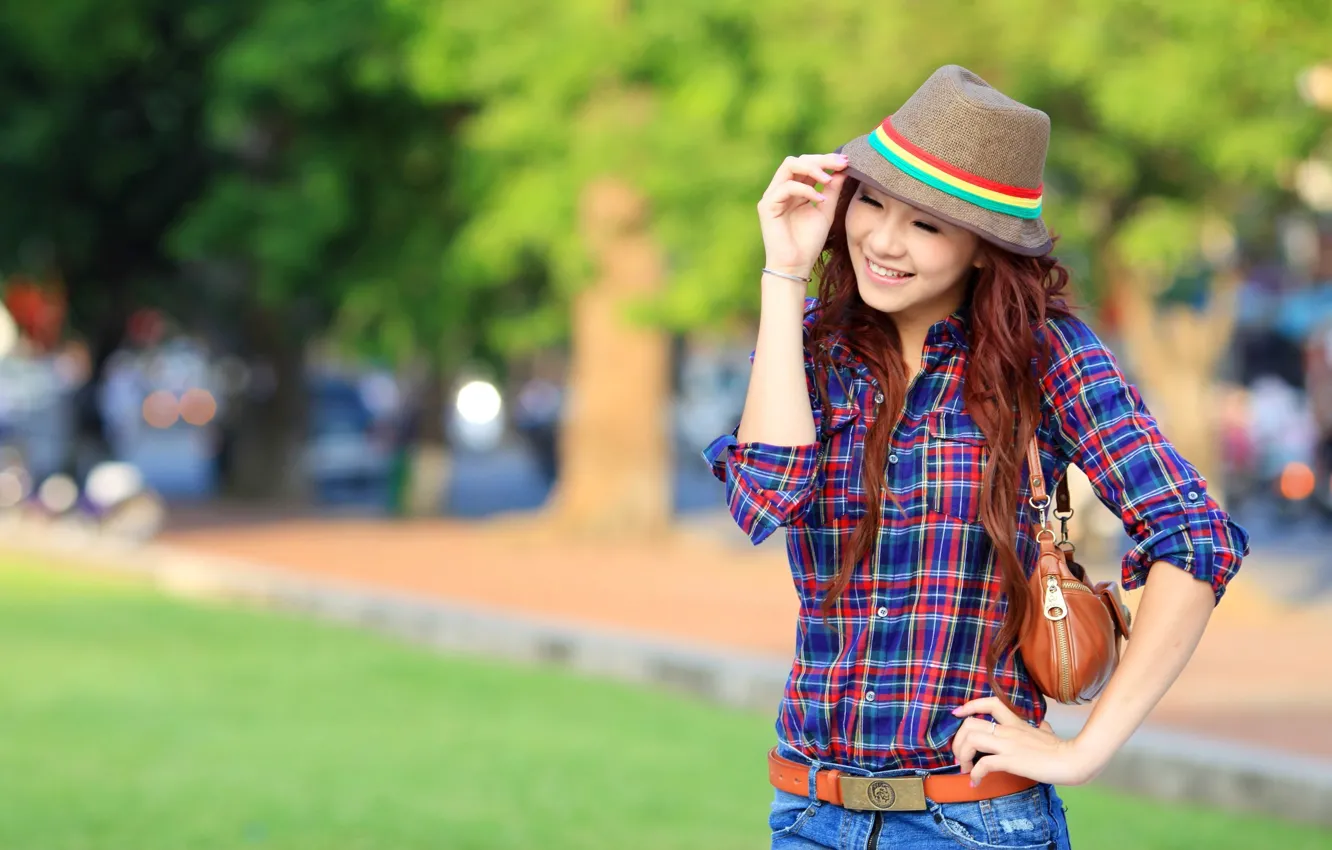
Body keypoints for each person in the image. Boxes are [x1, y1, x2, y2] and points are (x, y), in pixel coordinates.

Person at [702, 65, 1249, 850]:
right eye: (874, 205)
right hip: (809, 815)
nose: (884, 242)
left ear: (985, 250)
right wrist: (784, 274)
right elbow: (766, 497)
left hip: (972, 823)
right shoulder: (816, 346)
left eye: (927, 225)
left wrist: (1083, 749)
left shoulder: (1044, 356)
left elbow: (1196, 539)